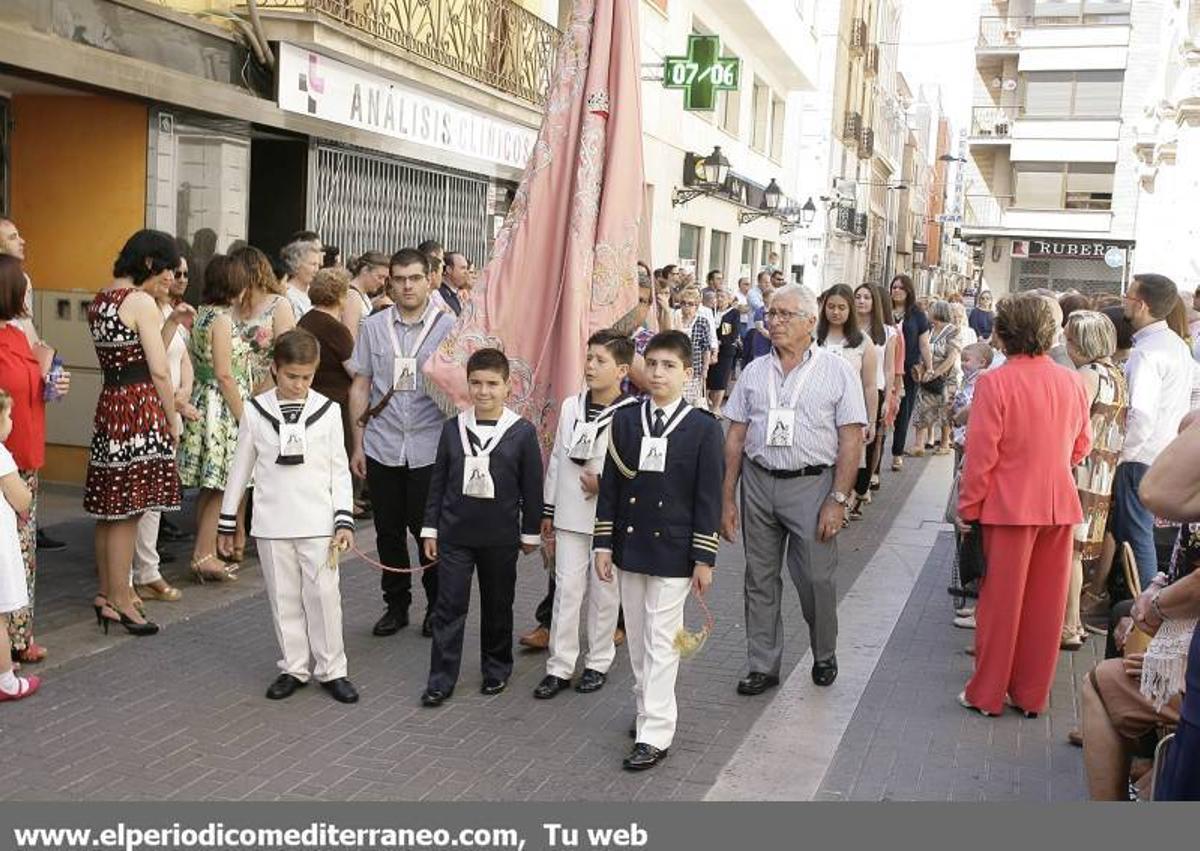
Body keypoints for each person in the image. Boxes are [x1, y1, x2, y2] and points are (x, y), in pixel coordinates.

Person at [721, 285, 868, 695]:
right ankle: (762, 665)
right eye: (771, 313)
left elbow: (852, 440)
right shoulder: (753, 371)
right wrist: (726, 497)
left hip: (812, 484)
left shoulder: (837, 371)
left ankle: (824, 652)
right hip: (758, 482)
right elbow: (734, 437)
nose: (775, 321)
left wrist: (838, 499)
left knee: (816, 579)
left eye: (786, 314)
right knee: (759, 578)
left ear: (809, 322)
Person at [955, 293, 1092, 717]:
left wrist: (968, 508)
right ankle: (1031, 695)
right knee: (1045, 609)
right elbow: (1081, 445)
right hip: (1057, 503)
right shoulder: (1071, 381)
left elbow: (981, 458)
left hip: (1009, 506)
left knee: (1000, 606)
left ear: (1004, 333)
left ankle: (987, 693)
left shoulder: (995, 383)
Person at [593, 330, 724, 771]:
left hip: (674, 549)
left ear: (687, 374)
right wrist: (604, 544)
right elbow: (611, 486)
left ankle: (655, 732)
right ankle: (647, 707)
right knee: (637, 642)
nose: (657, 373)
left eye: (668, 366)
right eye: (651, 364)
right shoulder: (627, 421)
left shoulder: (703, 427)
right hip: (630, 543)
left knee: (660, 640)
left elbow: (709, 497)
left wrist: (704, 557)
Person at [218, 329, 359, 704]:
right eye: (291, 376)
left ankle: (333, 669)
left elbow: (338, 470)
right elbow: (240, 468)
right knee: (284, 598)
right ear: (275, 369)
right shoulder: (255, 410)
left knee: (324, 596)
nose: (299, 385)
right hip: (272, 521)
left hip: (318, 521)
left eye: (307, 377)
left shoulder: (328, 411)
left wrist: (343, 519)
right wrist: (227, 520)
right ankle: (294, 666)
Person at [419, 348, 543, 707]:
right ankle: (441, 679)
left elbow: (531, 487)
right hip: (455, 534)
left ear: (508, 386)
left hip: (500, 536)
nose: (484, 391)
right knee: (449, 607)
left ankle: (496, 668)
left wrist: (530, 533)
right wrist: (431, 529)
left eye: (492, 384)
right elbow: (438, 482)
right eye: (476, 383)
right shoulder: (452, 428)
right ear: (467, 384)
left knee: (497, 605)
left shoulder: (520, 432)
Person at [349, 248, 455, 638]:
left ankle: (436, 606)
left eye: (414, 278)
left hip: (430, 447)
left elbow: (459, 393)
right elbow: (360, 384)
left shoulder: (449, 327)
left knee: (427, 531)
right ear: (389, 281)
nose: (407, 286)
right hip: (382, 444)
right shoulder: (374, 326)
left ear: (429, 279)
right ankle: (396, 605)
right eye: (399, 279)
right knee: (387, 531)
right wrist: (357, 444)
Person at [85, 230, 185, 637]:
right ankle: (124, 600)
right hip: (140, 406)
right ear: (148, 263)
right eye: (165, 268)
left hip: (112, 402)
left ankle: (107, 596)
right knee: (130, 508)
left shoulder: (102, 299)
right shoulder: (141, 302)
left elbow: (137, 354)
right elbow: (159, 369)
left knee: (110, 510)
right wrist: (169, 417)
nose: (169, 277)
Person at [534, 330, 636, 699]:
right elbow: (559, 459)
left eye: (600, 361)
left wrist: (606, 486)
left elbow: (635, 471)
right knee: (566, 589)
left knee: (605, 592)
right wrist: (548, 507)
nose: (590, 367)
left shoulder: (631, 414)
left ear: (622, 369)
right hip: (569, 512)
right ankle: (559, 665)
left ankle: (598, 661)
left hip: (609, 517)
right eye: (588, 358)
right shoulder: (570, 406)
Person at [0, 256, 70, 663]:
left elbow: (40, 392)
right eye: (23, 287)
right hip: (11, 457)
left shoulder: (18, 334)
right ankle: (14, 638)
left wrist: (50, 376)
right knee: (15, 550)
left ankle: (19, 635)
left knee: (21, 550)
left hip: (24, 452)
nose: (29, 294)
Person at [1115, 274, 1195, 587]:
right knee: (1140, 535)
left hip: (1142, 456)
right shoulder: (1175, 345)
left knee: (1136, 538)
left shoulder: (1147, 353)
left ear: (1143, 305)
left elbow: (1142, 415)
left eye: (1129, 297)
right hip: (1162, 451)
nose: (1124, 301)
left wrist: (1125, 456)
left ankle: (1142, 613)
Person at [1062, 311, 1128, 651]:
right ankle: (1072, 622)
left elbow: (1075, 425)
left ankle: (1071, 624)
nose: (1066, 344)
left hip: (1083, 470)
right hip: (1103, 470)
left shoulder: (1087, 374)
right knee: (1079, 550)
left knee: (1071, 551)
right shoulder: (1115, 373)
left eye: (1071, 339)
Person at [133, 257, 197, 603]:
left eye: (184, 273)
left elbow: (182, 359)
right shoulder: (146, 308)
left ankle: (147, 569)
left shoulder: (171, 308)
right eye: (173, 272)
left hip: (172, 407)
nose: (178, 278)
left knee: (156, 498)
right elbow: (153, 360)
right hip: (152, 409)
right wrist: (174, 406)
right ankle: (138, 571)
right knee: (142, 496)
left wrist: (184, 391)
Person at [818, 284, 878, 520]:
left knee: (847, 458)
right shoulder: (814, 337)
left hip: (849, 414)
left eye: (842, 307)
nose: (836, 312)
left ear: (850, 310)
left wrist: (871, 420)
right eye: (831, 306)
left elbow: (870, 385)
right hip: (817, 412)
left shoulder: (862, 341)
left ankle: (841, 500)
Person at [0, 390, 38, 699]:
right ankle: (6, 680)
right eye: (8, 416)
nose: (11, 421)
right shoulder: (1, 455)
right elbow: (21, 498)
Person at [298, 268, 356, 462]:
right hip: (336, 404)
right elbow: (355, 371)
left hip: (309, 401)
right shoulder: (336, 329)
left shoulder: (305, 320)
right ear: (340, 296)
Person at [233, 245, 296, 393]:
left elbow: (286, 354)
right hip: (232, 390)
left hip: (268, 389)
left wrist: (262, 392)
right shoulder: (230, 305)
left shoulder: (278, 305)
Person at [855, 283, 896, 498]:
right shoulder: (847, 330)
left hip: (875, 391)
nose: (861, 301)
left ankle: (861, 490)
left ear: (875, 303)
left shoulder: (889, 333)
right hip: (849, 391)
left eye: (867, 297)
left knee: (870, 441)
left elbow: (889, 369)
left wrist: (888, 398)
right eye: (858, 297)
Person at [889, 274, 932, 470]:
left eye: (901, 288)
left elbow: (924, 344)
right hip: (885, 369)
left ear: (908, 291)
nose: (896, 291)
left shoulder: (917, 314)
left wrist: (929, 367)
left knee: (903, 413)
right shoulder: (884, 311)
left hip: (908, 371)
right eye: (894, 287)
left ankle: (897, 453)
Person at [912, 300, 961, 456]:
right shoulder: (930, 330)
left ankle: (945, 443)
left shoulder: (953, 331)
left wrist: (936, 372)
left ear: (938, 312)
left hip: (946, 378)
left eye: (931, 310)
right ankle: (918, 445)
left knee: (945, 411)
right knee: (922, 409)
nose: (929, 312)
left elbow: (952, 357)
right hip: (927, 375)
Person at [674, 286, 711, 405]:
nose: (686, 307)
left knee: (691, 403)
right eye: (683, 303)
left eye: (690, 304)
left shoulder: (702, 322)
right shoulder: (676, 319)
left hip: (694, 369)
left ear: (697, 305)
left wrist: (705, 369)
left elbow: (706, 348)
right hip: (677, 367)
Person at [707, 290, 741, 416]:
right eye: (718, 296)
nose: (719, 299)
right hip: (710, 349)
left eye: (722, 296)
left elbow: (733, 332)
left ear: (729, 299)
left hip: (725, 350)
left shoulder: (733, 313)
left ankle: (716, 407)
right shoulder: (710, 311)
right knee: (709, 378)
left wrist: (721, 342)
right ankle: (707, 404)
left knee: (721, 379)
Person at [343, 251, 389, 342]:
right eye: (379, 277)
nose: (382, 283)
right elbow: (350, 338)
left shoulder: (362, 295)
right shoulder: (352, 296)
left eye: (385, 278)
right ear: (365, 270)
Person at [280, 238, 321, 320]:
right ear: (296, 264)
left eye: (318, 265)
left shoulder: (316, 293)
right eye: (313, 264)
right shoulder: (287, 294)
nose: (317, 270)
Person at [431, 251, 471, 317]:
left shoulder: (461, 294)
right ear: (449, 269)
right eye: (463, 268)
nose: (467, 272)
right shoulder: (439, 293)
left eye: (467, 268)